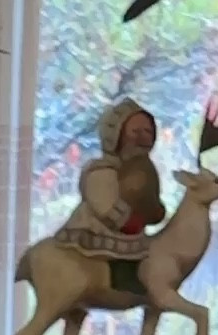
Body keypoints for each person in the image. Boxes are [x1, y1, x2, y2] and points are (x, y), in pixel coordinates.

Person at [69, 98, 165, 262]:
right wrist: (128, 221)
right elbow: (105, 207)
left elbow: (150, 204)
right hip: (100, 240)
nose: (143, 138)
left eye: (148, 132)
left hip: (135, 241)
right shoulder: (102, 171)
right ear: (117, 135)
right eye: (135, 132)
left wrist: (154, 211)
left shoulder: (144, 170)